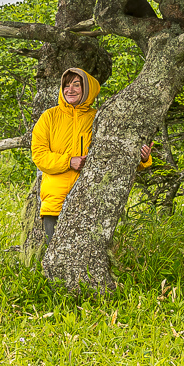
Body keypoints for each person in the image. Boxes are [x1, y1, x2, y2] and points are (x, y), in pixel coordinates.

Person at [30, 68, 153, 243]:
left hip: (89, 201)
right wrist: (68, 161)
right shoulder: (49, 117)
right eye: (66, 85)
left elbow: (116, 153)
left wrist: (142, 158)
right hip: (54, 203)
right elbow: (39, 156)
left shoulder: (99, 118)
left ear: (87, 89)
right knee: (57, 257)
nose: (70, 89)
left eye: (76, 85)